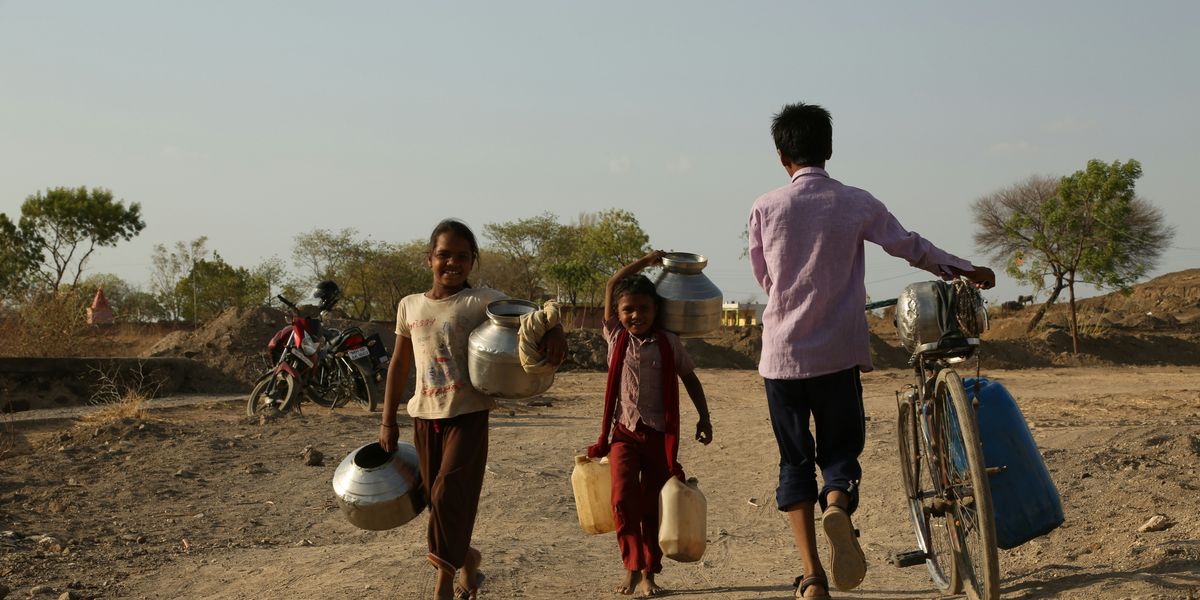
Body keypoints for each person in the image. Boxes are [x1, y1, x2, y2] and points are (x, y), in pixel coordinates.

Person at [746, 102, 996, 600]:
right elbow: (908, 245)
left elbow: (765, 278)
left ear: (781, 156)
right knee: (840, 452)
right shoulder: (855, 202)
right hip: (837, 355)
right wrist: (961, 268)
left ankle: (813, 576)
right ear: (830, 149)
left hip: (781, 357)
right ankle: (836, 502)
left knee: (794, 461)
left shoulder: (765, 207)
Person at [378, 218, 567, 600]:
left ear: (472, 261)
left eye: (462, 257)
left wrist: (555, 330)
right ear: (428, 258)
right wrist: (387, 421)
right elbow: (400, 365)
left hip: (468, 412)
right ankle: (468, 558)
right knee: (436, 501)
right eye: (443, 255)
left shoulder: (481, 300)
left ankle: (444, 584)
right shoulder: (409, 306)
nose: (452, 263)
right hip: (423, 414)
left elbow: (535, 315)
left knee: (450, 493)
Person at [586, 250, 714, 598]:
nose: (635, 315)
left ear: (656, 310)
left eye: (643, 308)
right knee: (623, 499)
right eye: (628, 310)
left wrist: (704, 416)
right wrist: (647, 261)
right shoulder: (615, 337)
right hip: (624, 434)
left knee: (655, 503)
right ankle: (630, 565)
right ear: (618, 314)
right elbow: (613, 283)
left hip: (659, 436)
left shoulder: (668, 343)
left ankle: (648, 574)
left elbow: (689, 378)